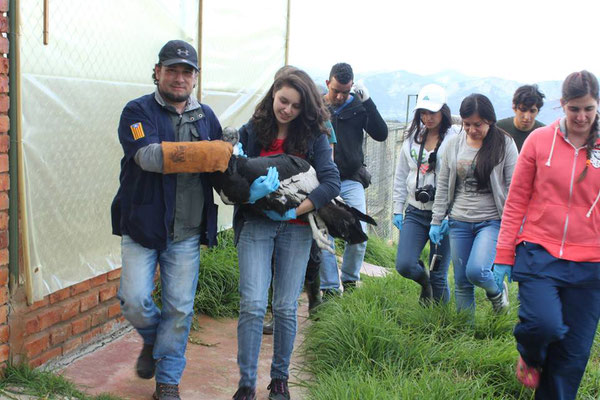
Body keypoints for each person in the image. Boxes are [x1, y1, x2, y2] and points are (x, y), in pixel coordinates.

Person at [111, 40, 233, 400]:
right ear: (157, 72)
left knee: (179, 308)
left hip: (186, 230)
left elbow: (222, 167)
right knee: (133, 299)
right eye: (172, 70)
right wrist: (212, 150)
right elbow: (147, 156)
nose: (179, 78)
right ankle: (153, 340)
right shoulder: (137, 111)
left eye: (187, 71)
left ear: (195, 78)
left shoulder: (206, 116)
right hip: (142, 226)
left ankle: (167, 382)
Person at [232, 68, 340, 400]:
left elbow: (331, 182)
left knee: (284, 305)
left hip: (296, 228)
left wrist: (298, 209)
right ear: (273, 95)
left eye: (295, 105)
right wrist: (246, 191)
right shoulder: (251, 131)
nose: (287, 110)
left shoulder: (315, 137)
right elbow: (233, 178)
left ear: (304, 108)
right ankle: (246, 382)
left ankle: (280, 378)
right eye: (283, 101)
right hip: (256, 223)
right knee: (252, 303)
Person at [493, 70, 600, 399]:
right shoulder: (540, 142)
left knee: (573, 355)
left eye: (589, 109)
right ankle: (530, 355)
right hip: (540, 252)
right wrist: (503, 255)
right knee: (544, 326)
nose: (581, 117)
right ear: (562, 105)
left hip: (591, 262)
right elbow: (516, 201)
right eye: (574, 109)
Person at [430, 93, 518, 316]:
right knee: (461, 281)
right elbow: (443, 185)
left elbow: (514, 187)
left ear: (489, 120)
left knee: (477, 270)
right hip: (459, 220)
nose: (471, 130)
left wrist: (515, 226)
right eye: (467, 124)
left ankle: (497, 292)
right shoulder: (454, 145)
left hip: (491, 221)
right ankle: (465, 334)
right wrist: (437, 220)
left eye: (477, 124)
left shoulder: (504, 144)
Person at [319, 62, 388, 296]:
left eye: (345, 92)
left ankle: (349, 281)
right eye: (335, 90)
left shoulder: (358, 107)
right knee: (322, 233)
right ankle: (328, 287)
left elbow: (380, 133)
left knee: (359, 232)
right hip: (321, 180)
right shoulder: (316, 107)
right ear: (328, 83)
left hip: (350, 178)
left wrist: (367, 102)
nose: (339, 96)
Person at [393, 84, 458, 304]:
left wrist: (447, 216)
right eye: (423, 112)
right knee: (405, 264)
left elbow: (458, 181)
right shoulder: (412, 138)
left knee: (439, 274)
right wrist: (397, 209)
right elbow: (401, 174)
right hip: (415, 211)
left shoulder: (454, 139)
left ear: (443, 111)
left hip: (443, 216)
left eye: (432, 112)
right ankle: (424, 282)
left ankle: (439, 326)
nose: (427, 117)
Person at [496, 84, 546, 151]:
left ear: (538, 112)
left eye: (532, 111)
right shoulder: (498, 129)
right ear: (514, 108)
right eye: (523, 110)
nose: (527, 117)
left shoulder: (545, 134)